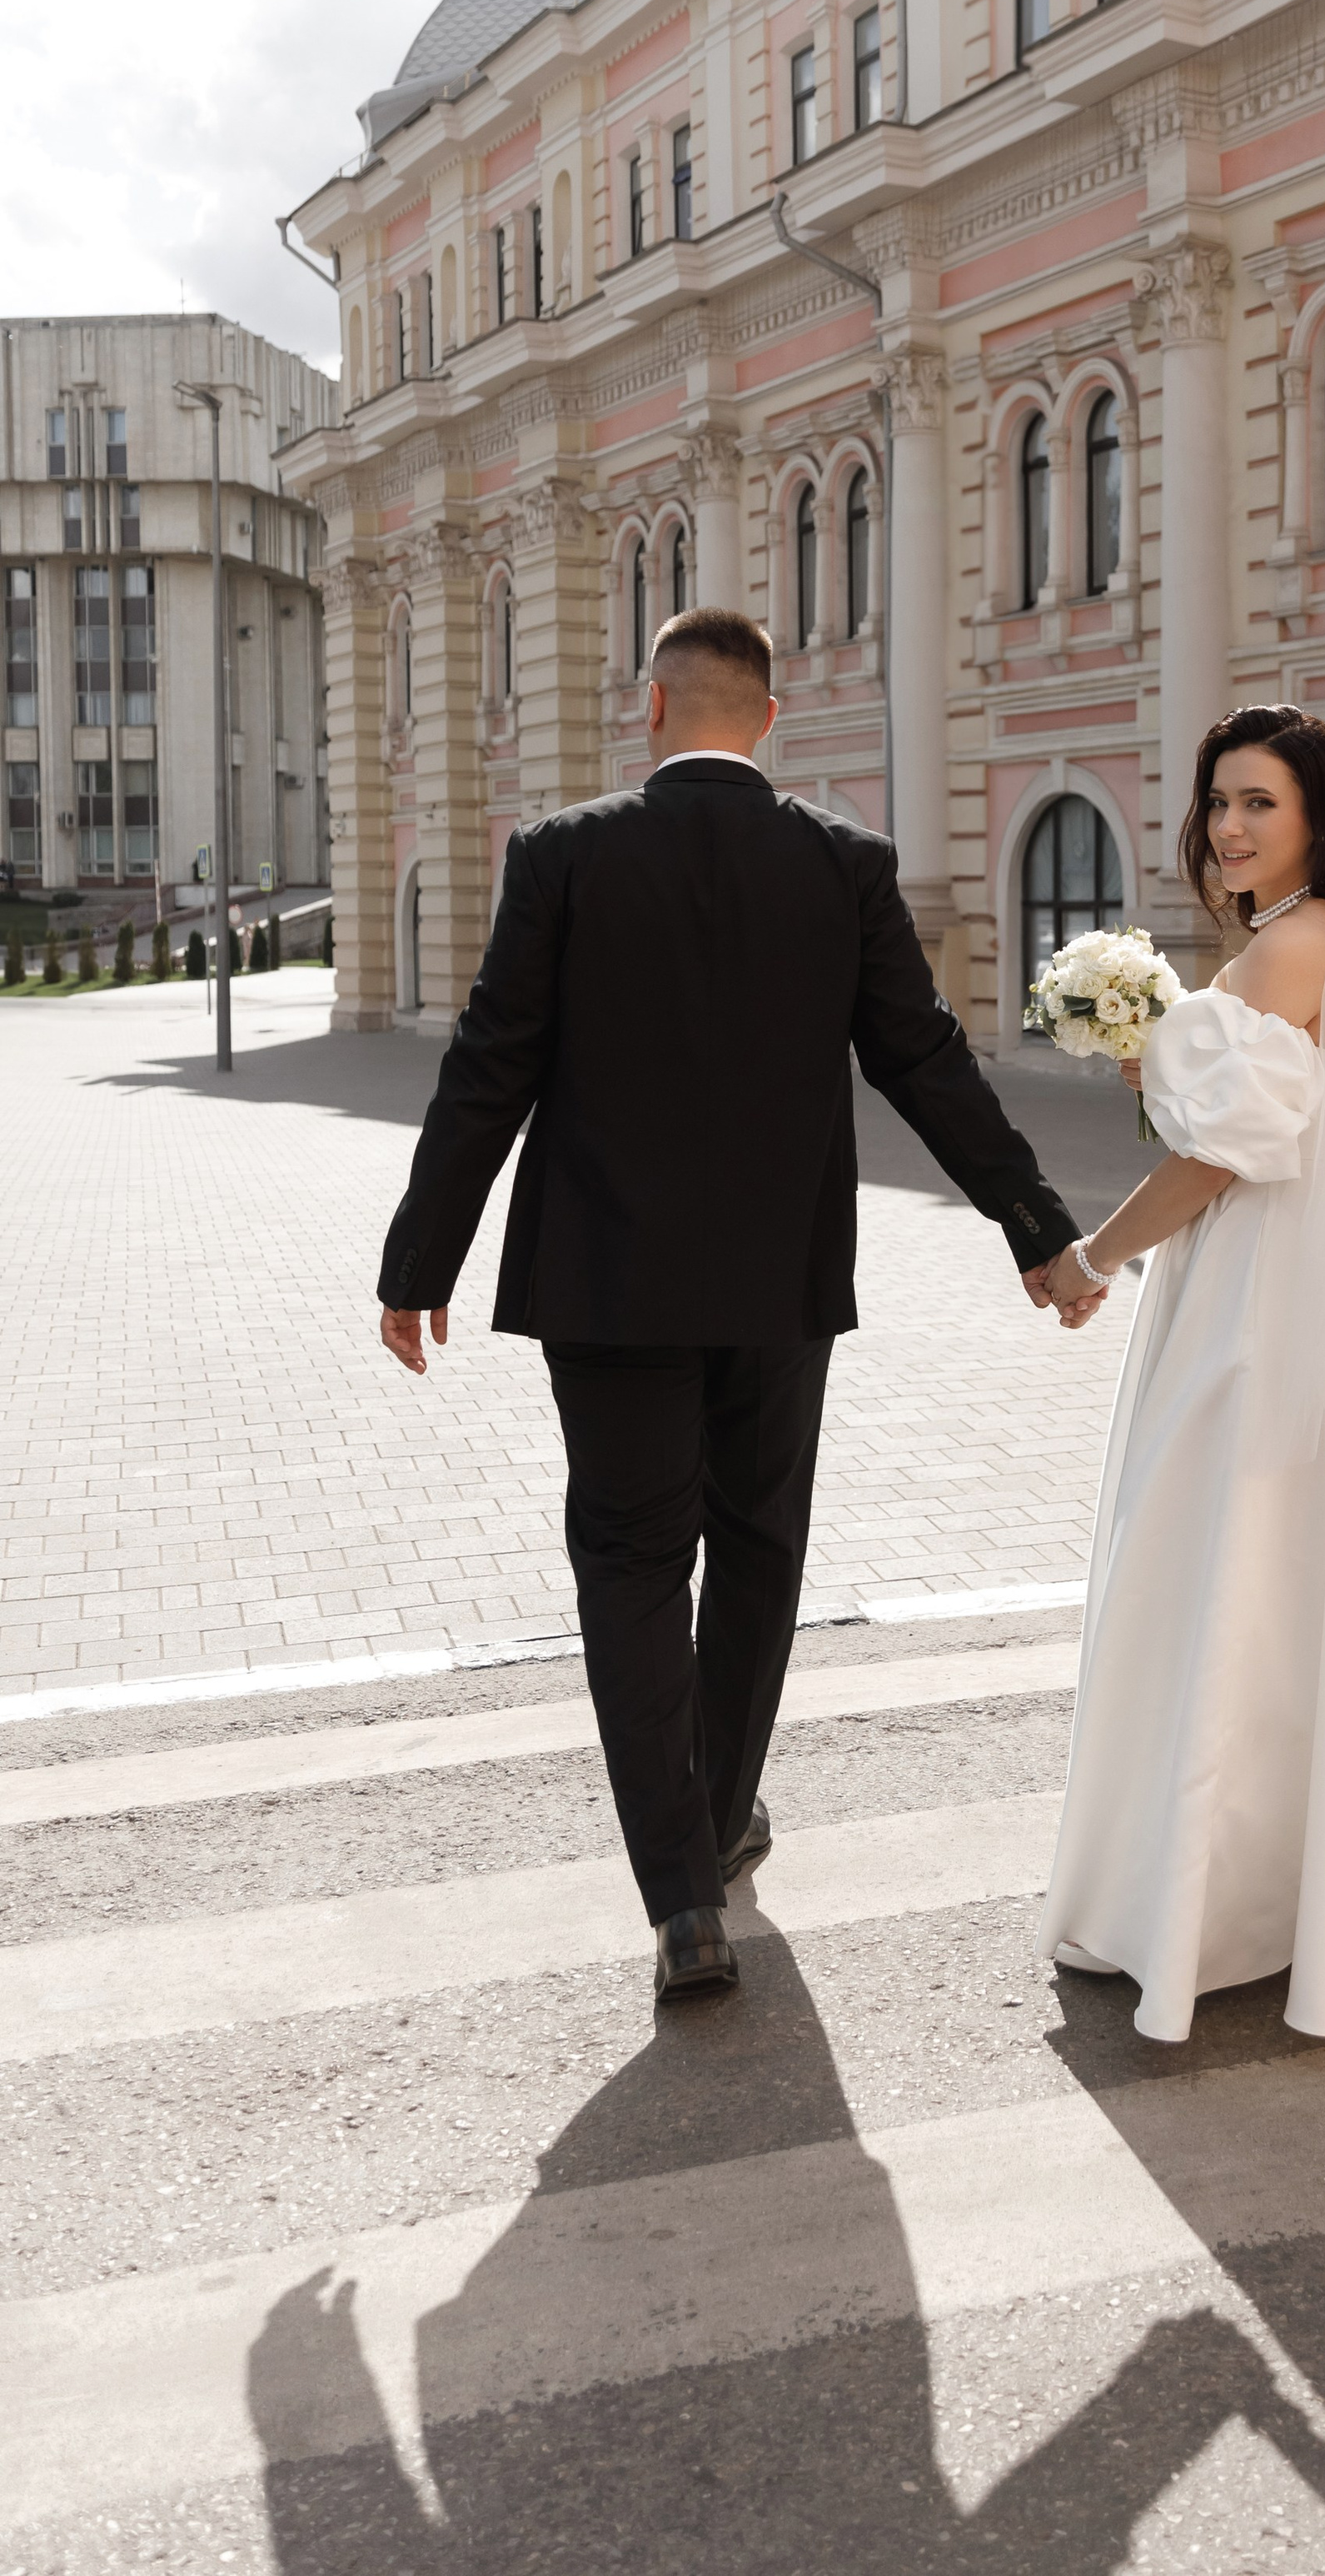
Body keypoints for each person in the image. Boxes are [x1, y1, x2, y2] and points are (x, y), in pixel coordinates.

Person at [376, 607, 1093, 2002]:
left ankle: (683, 1896)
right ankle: (709, 1826)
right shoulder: (843, 862)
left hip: (605, 1287)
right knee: (759, 1550)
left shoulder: (562, 855)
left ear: (650, 709)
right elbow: (924, 1061)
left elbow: (489, 1065)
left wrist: (421, 1263)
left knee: (632, 1565)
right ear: (771, 720)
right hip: (778, 1285)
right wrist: (1036, 1227)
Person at [1035, 704, 1325, 2044]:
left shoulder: (1298, 943)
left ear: (1320, 820)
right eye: (1219, 801)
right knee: (1292, 1572)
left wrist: (1089, 1257)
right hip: (1284, 1286)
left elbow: (1213, 1160)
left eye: (1261, 803)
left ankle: (1209, 1908)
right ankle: (1286, 1901)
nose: (1231, 826)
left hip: (1255, 1298)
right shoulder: (1306, 938)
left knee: (1219, 1566)